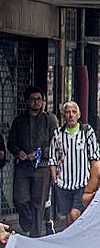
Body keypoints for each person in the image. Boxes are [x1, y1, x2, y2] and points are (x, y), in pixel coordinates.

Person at [7, 86, 58, 237]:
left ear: (43, 102)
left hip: (42, 166)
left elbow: (56, 143)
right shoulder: (19, 121)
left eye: (39, 99)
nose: (36, 102)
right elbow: (11, 142)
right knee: (19, 198)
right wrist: (18, 152)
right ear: (27, 101)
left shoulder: (49, 120)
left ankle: (35, 235)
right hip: (23, 166)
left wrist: (41, 153)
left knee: (38, 203)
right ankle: (27, 222)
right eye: (33, 99)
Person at [49, 101, 100, 228]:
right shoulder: (58, 134)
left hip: (82, 182)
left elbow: (94, 157)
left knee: (75, 214)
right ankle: (73, 240)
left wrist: (95, 179)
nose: (71, 115)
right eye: (67, 112)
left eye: (74, 112)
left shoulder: (87, 131)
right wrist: (55, 179)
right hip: (64, 183)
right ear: (63, 116)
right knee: (68, 216)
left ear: (79, 115)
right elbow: (53, 159)